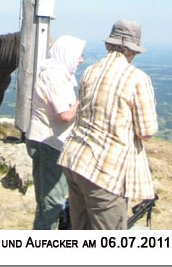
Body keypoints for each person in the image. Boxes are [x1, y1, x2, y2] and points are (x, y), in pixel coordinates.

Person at [58, 19, 157, 229]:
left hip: (74, 160)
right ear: (133, 50)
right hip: (104, 170)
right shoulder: (138, 78)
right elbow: (147, 131)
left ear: (108, 44)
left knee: (81, 228)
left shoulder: (89, 71)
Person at [26, 35, 86, 229]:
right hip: (49, 143)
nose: (81, 60)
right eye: (79, 56)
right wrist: (83, 100)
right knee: (52, 201)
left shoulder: (59, 75)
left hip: (49, 142)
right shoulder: (53, 76)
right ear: (67, 55)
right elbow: (66, 115)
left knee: (48, 199)